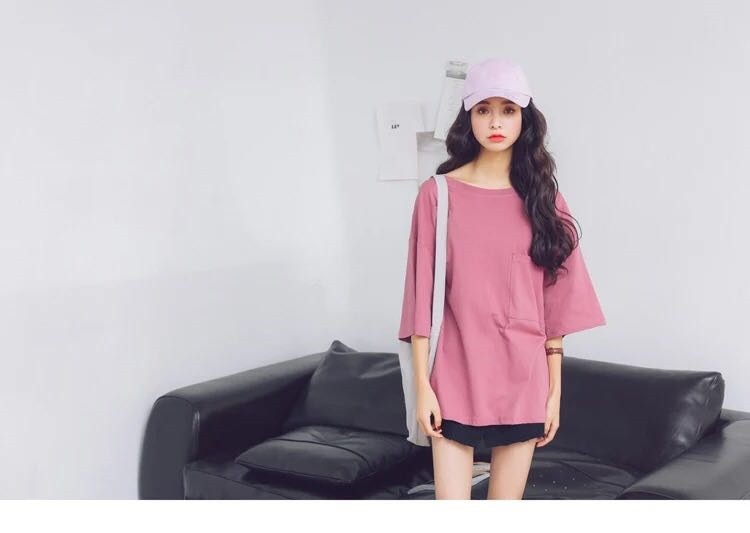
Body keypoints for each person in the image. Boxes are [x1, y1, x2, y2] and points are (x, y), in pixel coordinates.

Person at [397, 58, 606, 499]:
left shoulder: (545, 200)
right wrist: (422, 388)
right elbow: (420, 299)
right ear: (467, 116)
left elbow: (556, 305)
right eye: (484, 109)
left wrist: (554, 392)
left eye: (508, 110)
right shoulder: (437, 195)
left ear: (524, 118)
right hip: (453, 376)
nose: (495, 122)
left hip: (523, 378)